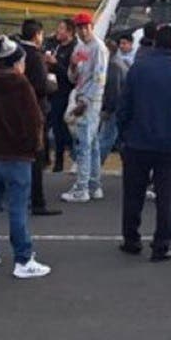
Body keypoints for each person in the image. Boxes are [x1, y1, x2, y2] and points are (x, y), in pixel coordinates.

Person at [117, 25, 171, 262]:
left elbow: (125, 106)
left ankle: (131, 239)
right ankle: (161, 244)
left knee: (133, 194)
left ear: (154, 43)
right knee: (166, 198)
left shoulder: (138, 68)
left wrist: (123, 135)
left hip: (137, 141)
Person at [0, 38, 51, 279]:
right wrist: (34, 147)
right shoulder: (19, 83)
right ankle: (23, 259)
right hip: (18, 154)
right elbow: (33, 119)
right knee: (17, 208)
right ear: (16, 62)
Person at [61, 12, 109, 203]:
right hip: (81, 94)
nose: (82, 31)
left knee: (84, 144)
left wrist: (86, 101)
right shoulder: (80, 47)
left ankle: (82, 187)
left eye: (85, 26)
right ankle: (94, 184)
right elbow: (73, 77)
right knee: (93, 143)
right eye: (79, 27)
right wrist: (72, 67)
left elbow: (100, 78)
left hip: (90, 99)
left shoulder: (98, 47)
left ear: (91, 26)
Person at [19, 19, 62, 216]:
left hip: (23, 110)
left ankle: (25, 196)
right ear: (37, 35)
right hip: (36, 109)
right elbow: (41, 86)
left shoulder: (19, 52)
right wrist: (52, 82)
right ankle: (37, 201)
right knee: (37, 155)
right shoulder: (35, 57)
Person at [45, 19, 77, 173]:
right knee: (52, 125)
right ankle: (52, 158)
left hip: (65, 92)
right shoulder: (55, 45)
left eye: (61, 29)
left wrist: (56, 63)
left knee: (61, 126)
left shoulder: (74, 49)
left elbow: (71, 75)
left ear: (70, 32)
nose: (58, 31)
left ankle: (64, 157)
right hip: (51, 90)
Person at [99, 33, 130, 166]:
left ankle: (94, 167)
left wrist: (108, 109)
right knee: (118, 139)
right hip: (122, 107)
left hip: (115, 109)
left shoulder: (113, 65)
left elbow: (113, 91)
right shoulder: (119, 62)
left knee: (106, 139)